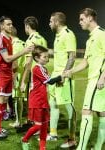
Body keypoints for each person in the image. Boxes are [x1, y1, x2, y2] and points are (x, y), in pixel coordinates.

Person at [64, 8, 105, 150]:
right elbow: (85, 62)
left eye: (82, 19)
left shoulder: (101, 35)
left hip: (98, 80)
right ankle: (98, 147)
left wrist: (102, 78)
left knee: (86, 111)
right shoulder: (90, 39)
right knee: (102, 113)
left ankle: (81, 148)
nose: (79, 22)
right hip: (96, 80)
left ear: (90, 18)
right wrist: (71, 71)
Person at [0, 16, 34, 139]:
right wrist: (25, 51)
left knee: (4, 100)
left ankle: (0, 126)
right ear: (2, 26)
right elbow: (7, 58)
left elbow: (11, 61)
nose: (11, 26)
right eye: (8, 24)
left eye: (11, 24)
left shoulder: (9, 39)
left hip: (7, 72)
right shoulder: (0, 40)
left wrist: (13, 73)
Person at [21, 45, 62, 150]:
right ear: (36, 58)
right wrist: (62, 76)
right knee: (38, 125)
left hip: (42, 100)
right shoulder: (37, 69)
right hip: (37, 101)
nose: (47, 59)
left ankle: (42, 147)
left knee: (44, 126)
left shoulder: (43, 68)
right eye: (44, 57)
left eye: (47, 56)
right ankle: (24, 139)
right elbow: (50, 81)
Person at [48, 12, 77, 148]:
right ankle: (53, 133)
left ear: (57, 22)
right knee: (52, 104)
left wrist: (64, 75)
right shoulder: (57, 35)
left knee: (69, 107)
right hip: (55, 75)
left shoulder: (68, 34)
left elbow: (72, 56)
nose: (49, 24)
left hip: (64, 77)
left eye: (51, 21)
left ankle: (72, 139)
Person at [9, 26, 25, 127]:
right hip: (22, 73)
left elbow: (14, 63)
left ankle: (18, 122)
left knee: (17, 99)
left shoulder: (15, 45)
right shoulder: (22, 43)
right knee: (21, 99)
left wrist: (13, 78)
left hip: (17, 74)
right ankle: (22, 120)